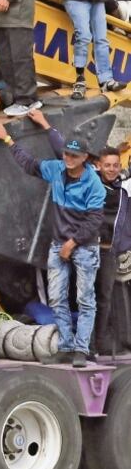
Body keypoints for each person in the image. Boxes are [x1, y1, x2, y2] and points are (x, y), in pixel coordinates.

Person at [0, 121, 104, 368]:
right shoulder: (56, 169)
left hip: (83, 246)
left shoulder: (93, 183)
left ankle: (81, 349)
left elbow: (95, 221)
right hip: (59, 244)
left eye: (74, 155)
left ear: (84, 157)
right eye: (66, 154)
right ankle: (65, 346)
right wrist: (8, 140)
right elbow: (29, 164)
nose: (68, 158)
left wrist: (71, 244)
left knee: (85, 299)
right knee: (57, 298)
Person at [95, 146, 125, 355]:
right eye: (107, 165)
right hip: (86, 249)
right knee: (84, 296)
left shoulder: (123, 187)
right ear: (99, 165)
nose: (111, 169)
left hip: (109, 251)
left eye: (115, 165)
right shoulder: (90, 181)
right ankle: (82, 344)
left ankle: (99, 342)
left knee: (104, 297)